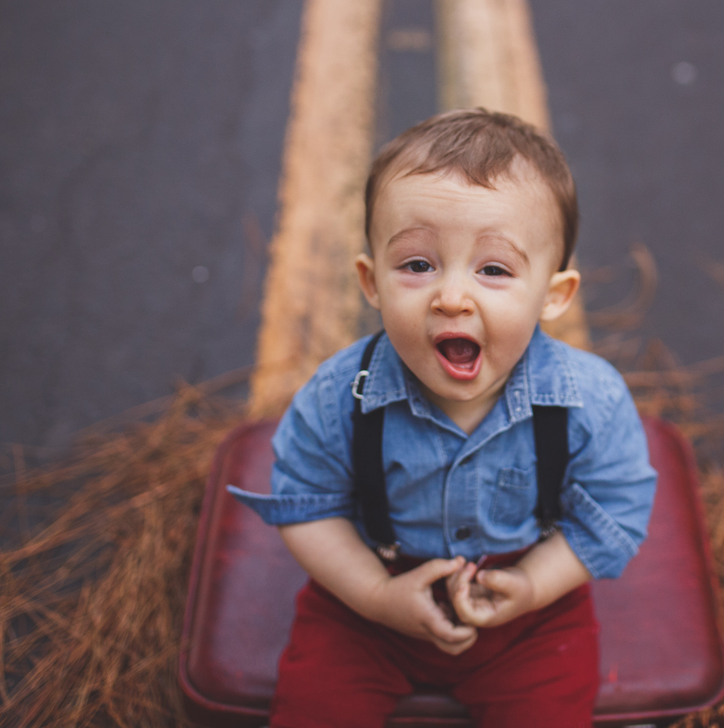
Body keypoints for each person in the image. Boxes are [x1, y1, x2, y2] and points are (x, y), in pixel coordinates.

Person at [231, 109, 656, 727]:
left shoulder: (591, 401)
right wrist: (376, 597)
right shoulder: (335, 398)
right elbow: (307, 504)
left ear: (555, 295)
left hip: (527, 619)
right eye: (418, 265)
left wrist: (535, 584)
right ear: (371, 280)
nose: (452, 296)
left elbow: (618, 510)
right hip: (367, 607)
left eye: (493, 269)